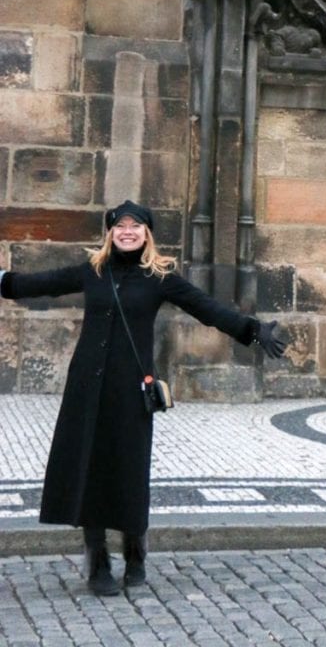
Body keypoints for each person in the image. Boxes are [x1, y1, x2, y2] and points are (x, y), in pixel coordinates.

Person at [0, 200, 285, 597]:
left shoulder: (160, 277)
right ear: (111, 232)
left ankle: (135, 552)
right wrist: (3, 281)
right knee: (89, 468)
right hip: (86, 387)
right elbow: (40, 283)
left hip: (130, 388)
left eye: (136, 226)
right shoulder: (93, 271)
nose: (127, 232)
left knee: (129, 470)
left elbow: (207, 308)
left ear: (147, 234)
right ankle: (97, 560)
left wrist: (252, 331)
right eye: (120, 226)